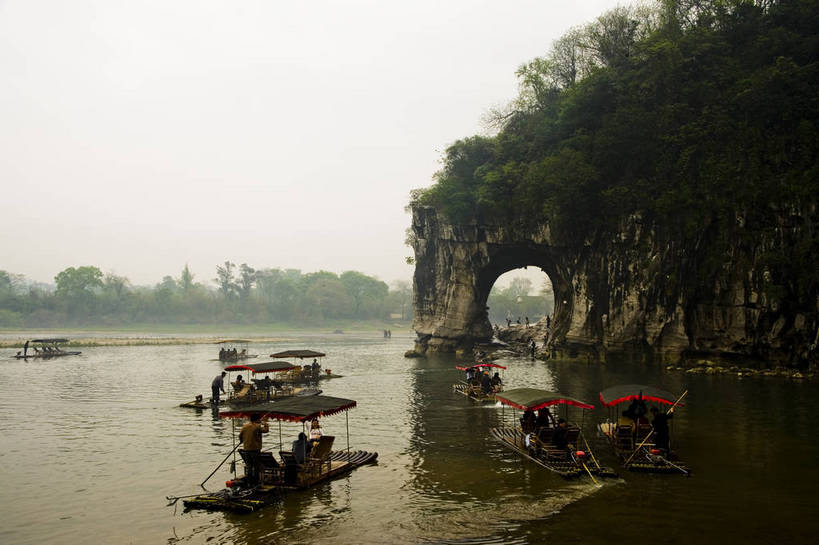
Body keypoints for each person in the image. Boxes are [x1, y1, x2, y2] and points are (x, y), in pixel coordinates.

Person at [239, 413, 269, 483]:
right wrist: (265, 423)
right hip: (255, 450)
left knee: (249, 466)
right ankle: (255, 481)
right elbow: (266, 430)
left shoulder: (244, 426)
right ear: (257, 420)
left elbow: (240, 436)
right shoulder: (257, 426)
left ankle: (249, 480)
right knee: (256, 466)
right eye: (259, 419)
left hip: (246, 449)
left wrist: (242, 441)